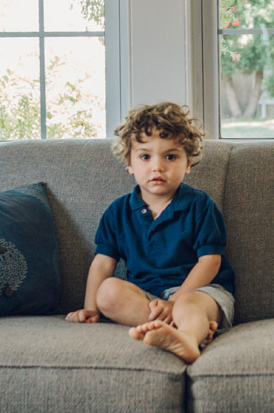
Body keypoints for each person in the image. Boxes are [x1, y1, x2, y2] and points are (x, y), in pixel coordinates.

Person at [65, 102, 235, 362]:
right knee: (108, 292)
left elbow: (210, 261)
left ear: (188, 163)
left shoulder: (200, 205)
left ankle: (189, 338)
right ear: (129, 163)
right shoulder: (118, 211)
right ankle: (183, 330)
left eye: (170, 156)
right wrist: (90, 309)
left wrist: (176, 300)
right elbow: (102, 264)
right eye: (145, 156)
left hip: (200, 291)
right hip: (147, 298)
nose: (157, 167)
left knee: (189, 306)